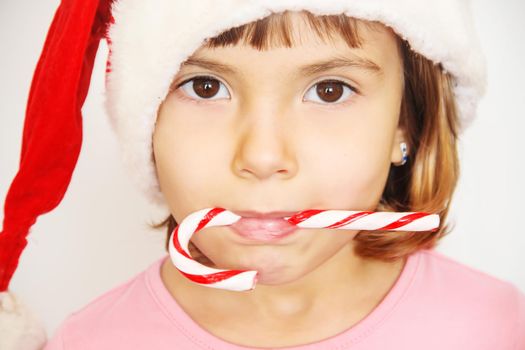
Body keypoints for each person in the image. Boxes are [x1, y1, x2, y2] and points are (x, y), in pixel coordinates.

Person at [0, 0, 524, 349]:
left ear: (403, 126)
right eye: (206, 87)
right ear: (147, 124)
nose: (264, 154)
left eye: (330, 90)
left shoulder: (497, 328)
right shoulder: (90, 342)